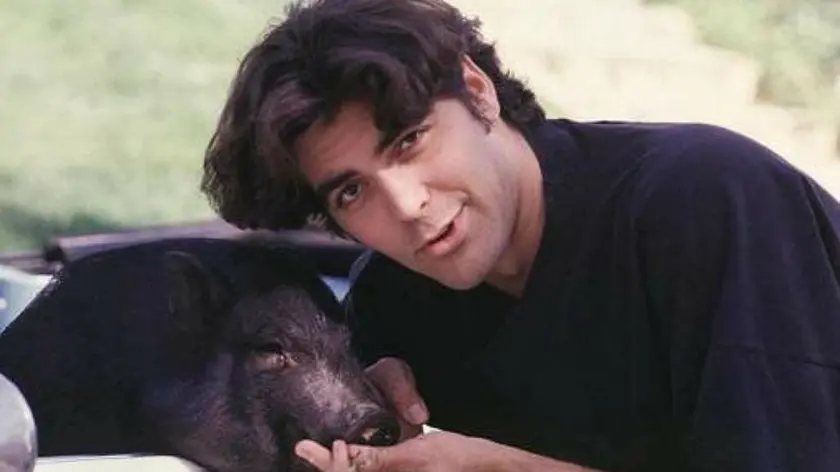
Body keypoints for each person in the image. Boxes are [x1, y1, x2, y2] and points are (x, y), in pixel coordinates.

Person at [199, 0, 840, 470]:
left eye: (410, 139)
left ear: (478, 92)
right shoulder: (392, 304)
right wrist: (361, 420)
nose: (409, 204)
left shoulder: (705, 201)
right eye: (352, 191)